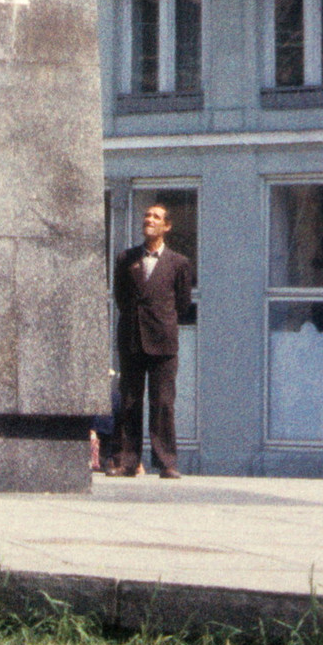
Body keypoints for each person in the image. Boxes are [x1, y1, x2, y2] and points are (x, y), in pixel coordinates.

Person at [108, 203, 194, 479]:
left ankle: (166, 461)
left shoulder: (179, 263)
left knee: (163, 402)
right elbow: (121, 298)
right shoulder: (126, 258)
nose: (149, 220)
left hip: (163, 341)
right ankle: (127, 461)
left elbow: (182, 303)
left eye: (156, 217)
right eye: (146, 216)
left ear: (167, 226)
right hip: (132, 338)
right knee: (130, 401)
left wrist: (161, 322)